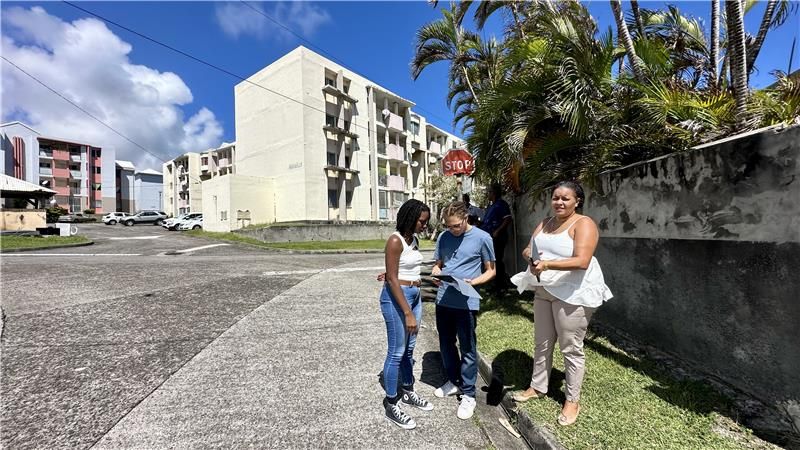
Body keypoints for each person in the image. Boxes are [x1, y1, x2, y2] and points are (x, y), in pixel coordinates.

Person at [511, 181, 612, 427]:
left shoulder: (583, 224)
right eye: (556, 197)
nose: (559, 202)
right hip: (544, 288)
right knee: (542, 342)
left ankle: (572, 400)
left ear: (577, 201)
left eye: (565, 198)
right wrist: (531, 257)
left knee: (571, 347)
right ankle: (538, 386)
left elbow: (582, 260)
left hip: (573, 293)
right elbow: (528, 248)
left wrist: (547, 264)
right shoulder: (545, 223)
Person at [430, 201, 496, 420]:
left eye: (456, 226)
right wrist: (436, 272)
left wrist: (474, 281)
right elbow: (438, 264)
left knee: (467, 346)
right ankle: (455, 381)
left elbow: (491, 271)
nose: (452, 230)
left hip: (466, 301)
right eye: (448, 226)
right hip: (444, 299)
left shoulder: (483, 238)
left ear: (466, 218)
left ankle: (469, 394)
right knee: (446, 343)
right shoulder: (443, 237)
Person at [379, 199, 433, 430]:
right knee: (397, 351)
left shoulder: (414, 240)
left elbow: (402, 269)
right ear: (410, 218)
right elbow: (393, 279)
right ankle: (392, 403)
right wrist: (408, 313)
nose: (425, 225)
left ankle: (408, 391)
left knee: (409, 350)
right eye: (422, 221)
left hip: (415, 294)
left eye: (426, 221)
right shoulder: (395, 240)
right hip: (397, 299)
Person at [479, 183, 512, 293]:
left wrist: (497, 231)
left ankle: (501, 285)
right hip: (488, 238)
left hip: (498, 238)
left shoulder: (501, 204)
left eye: (489, 192)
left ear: (494, 193)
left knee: (497, 260)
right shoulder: (491, 206)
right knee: (491, 261)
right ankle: (495, 284)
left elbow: (507, 219)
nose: (488, 194)